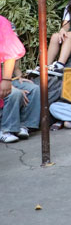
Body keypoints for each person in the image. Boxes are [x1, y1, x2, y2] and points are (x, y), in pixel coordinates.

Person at [0, 15, 37, 144]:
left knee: (33, 89)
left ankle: (24, 125)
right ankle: (6, 129)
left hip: (5, 77)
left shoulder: (3, 22)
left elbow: (11, 55)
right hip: (3, 80)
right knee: (14, 93)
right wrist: (8, 84)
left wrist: (16, 77)